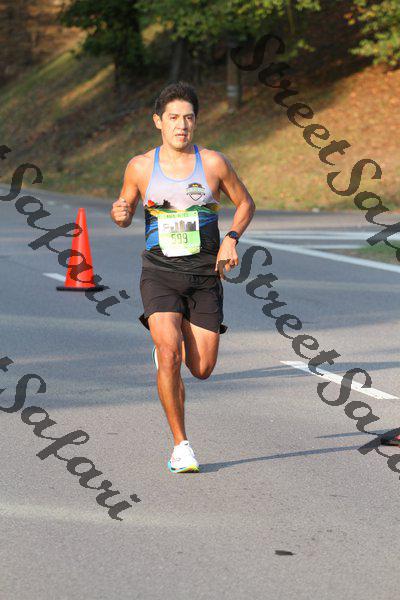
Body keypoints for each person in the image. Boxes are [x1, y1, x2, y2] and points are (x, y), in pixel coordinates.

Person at [110, 81, 255, 473]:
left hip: (204, 276)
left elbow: (245, 203)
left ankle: (168, 352)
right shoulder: (141, 166)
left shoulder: (214, 163)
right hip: (159, 273)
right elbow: (124, 208)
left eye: (188, 118)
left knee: (202, 369)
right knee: (170, 355)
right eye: (173, 117)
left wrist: (231, 239)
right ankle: (181, 446)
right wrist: (120, 214)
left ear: (196, 122)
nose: (182, 125)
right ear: (158, 121)